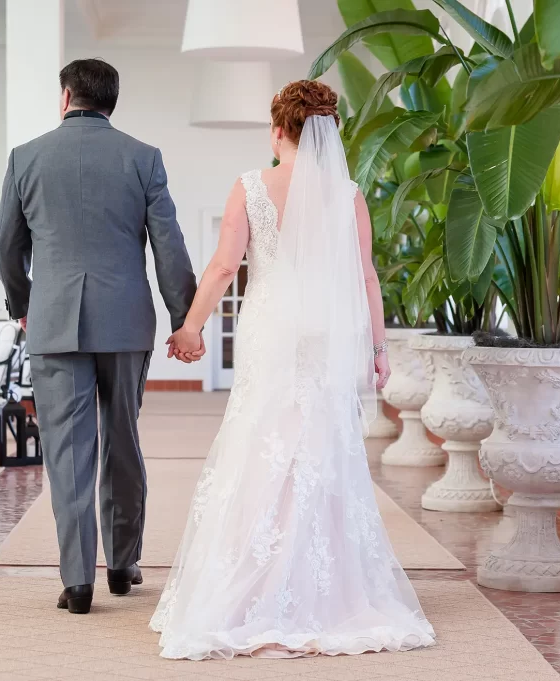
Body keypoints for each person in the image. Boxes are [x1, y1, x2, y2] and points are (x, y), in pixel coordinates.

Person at [149, 81, 436, 659]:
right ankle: (327, 590)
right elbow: (367, 277)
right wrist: (378, 349)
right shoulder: (347, 193)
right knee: (321, 447)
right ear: (327, 132)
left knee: (263, 443)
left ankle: (252, 588)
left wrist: (191, 328)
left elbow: (226, 265)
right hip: (326, 335)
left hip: (271, 328)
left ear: (278, 129)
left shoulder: (252, 187)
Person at [0, 58, 199, 615]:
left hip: (55, 322)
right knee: (124, 442)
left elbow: (5, 245)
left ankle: (78, 580)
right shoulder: (142, 158)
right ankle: (124, 565)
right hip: (126, 322)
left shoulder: (26, 158)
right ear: (111, 102)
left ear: (66, 97)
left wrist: (23, 303)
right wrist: (185, 318)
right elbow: (169, 246)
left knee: (67, 452)